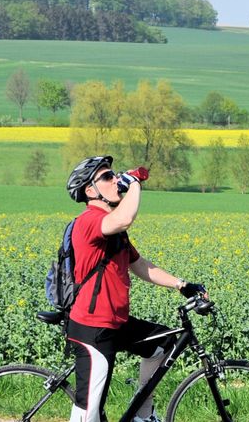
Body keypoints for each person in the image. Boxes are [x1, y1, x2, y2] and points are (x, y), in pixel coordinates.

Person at [63, 155, 206, 422]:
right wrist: (135, 182)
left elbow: (139, 265)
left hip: (115, 323)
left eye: (115, 174)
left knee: (163, 344)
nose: (115, 179)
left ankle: (142, 415)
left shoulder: (114, 232)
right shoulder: (89, 222)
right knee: (88, 414)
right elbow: (125, 217)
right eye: (107, 177)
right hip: (93, 328)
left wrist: (182, 285)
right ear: (90, 191)